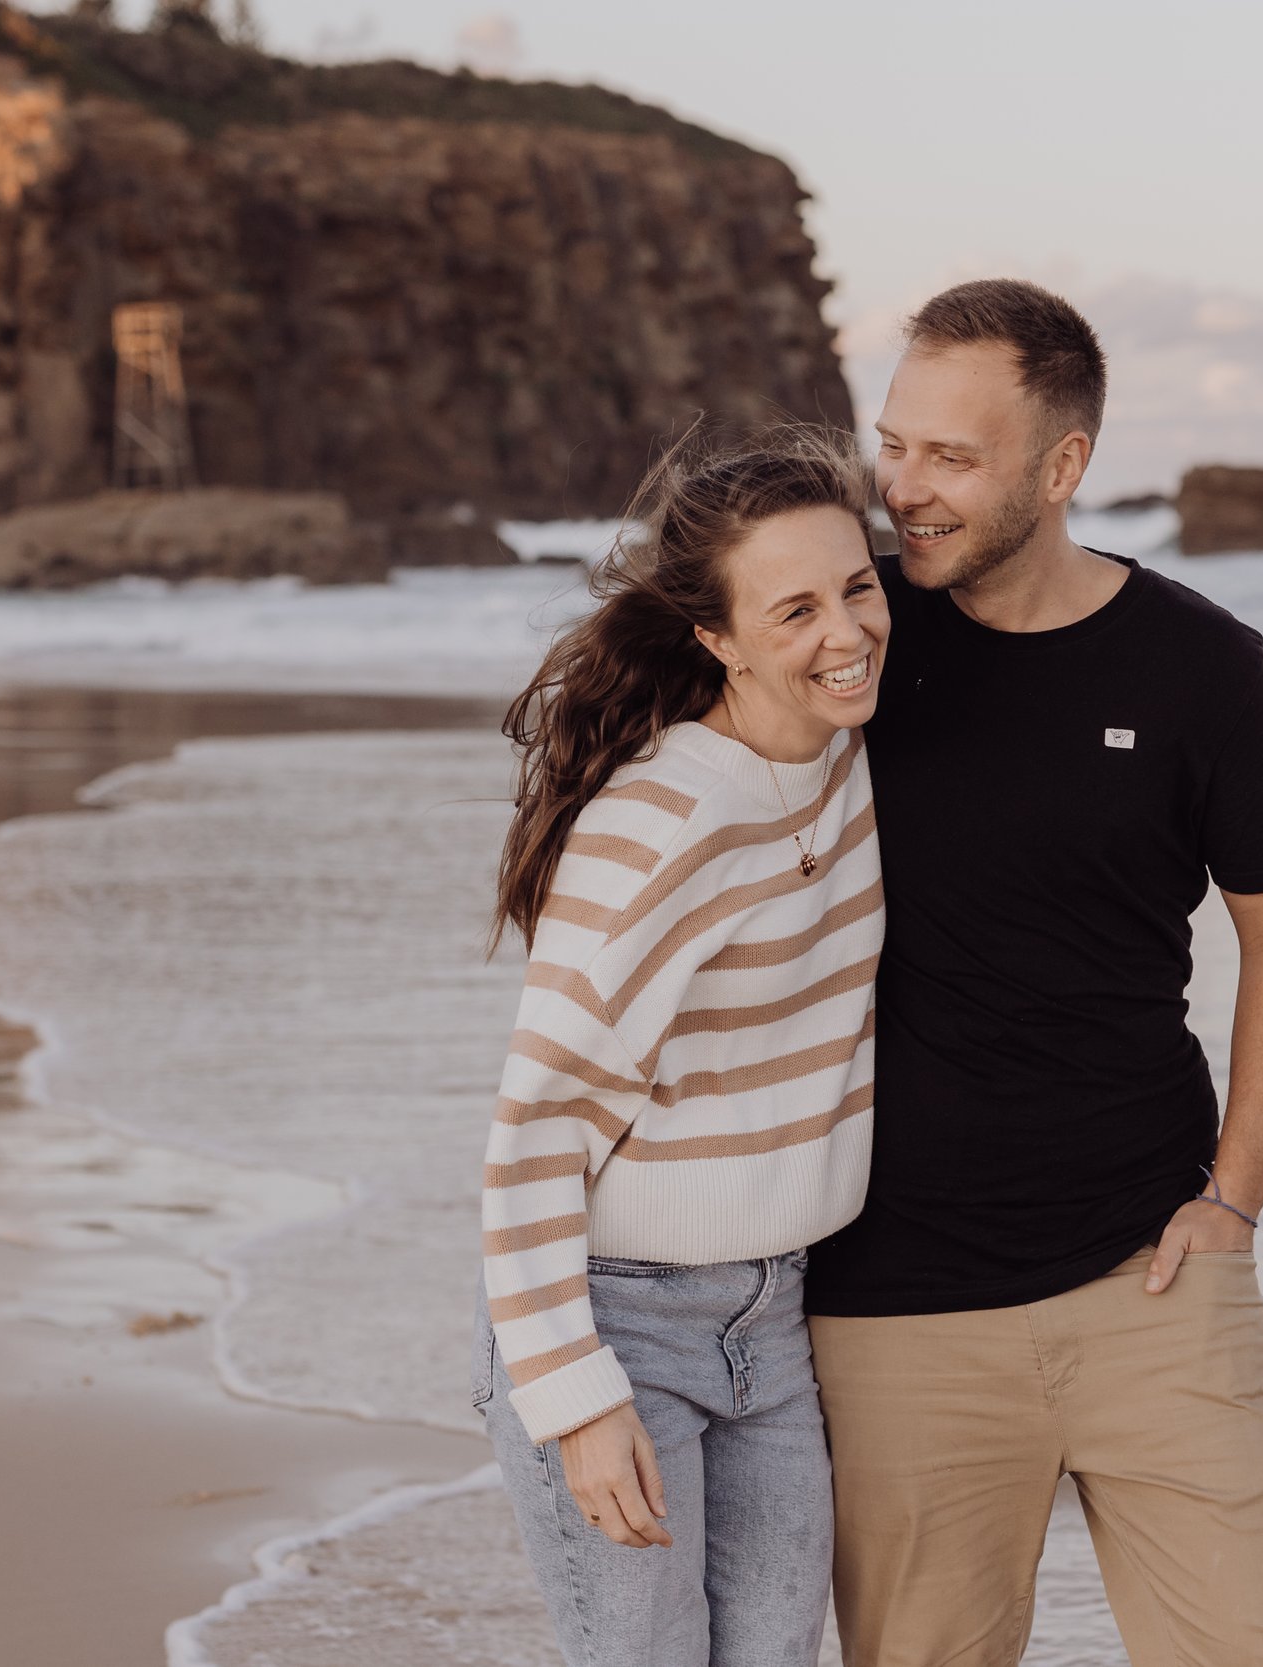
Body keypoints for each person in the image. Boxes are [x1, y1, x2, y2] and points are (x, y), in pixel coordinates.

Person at [805, 279, 1263, 1666]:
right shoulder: (855, 642)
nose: (907, 489)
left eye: (953, 457)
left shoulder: (1207, 671)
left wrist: (1235, 1200)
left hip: (1157, 1276)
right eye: (897, 443)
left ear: (1062, 467)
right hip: (894, 1309)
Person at [475, 426, 887, 1667]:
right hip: (616, 1322)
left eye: (859, 586)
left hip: (775, 1319)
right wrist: (574, 1397)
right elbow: (537, 1128)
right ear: (714, 636)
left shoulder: (849, 752)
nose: (847, 631)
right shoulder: (661, 826)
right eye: (796, 609)